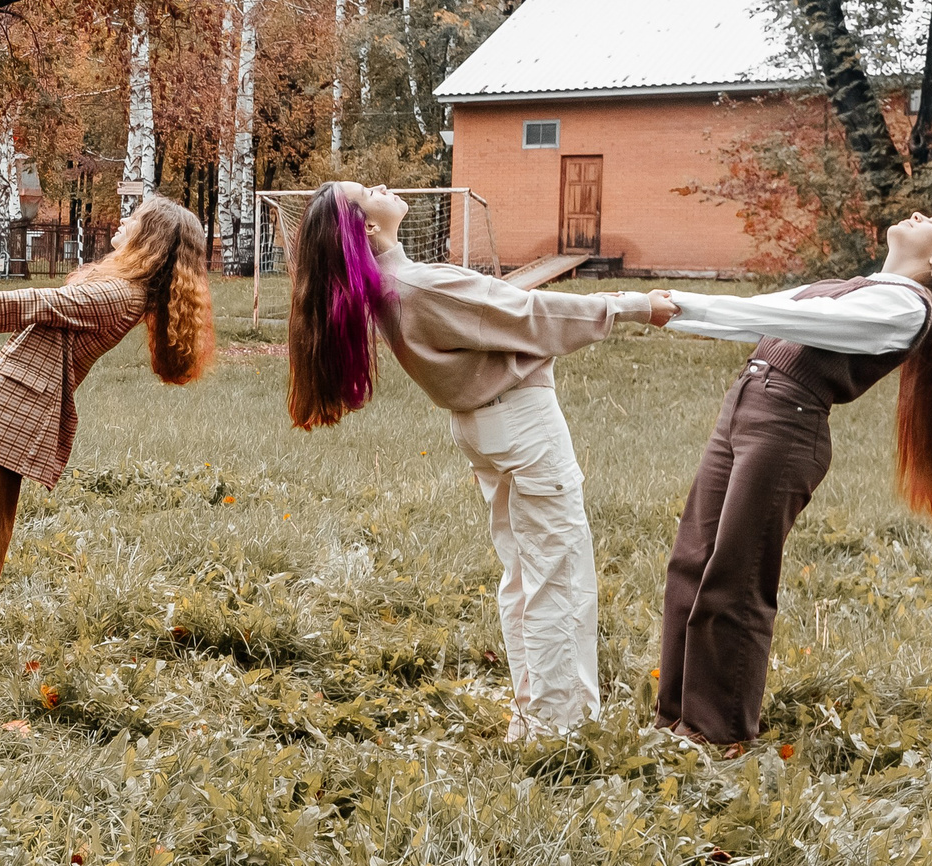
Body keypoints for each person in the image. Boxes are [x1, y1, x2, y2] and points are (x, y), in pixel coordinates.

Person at [283, 181, 674, 740]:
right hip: (521, 424)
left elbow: (500, 311)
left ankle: (534, 714)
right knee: (557, 572)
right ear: (367, 227)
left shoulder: (393, 289)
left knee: (525, 571)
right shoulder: (418, 283)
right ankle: (560, 729)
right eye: (367, 190)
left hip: (484, 429)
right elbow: (533, 314)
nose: (382, 186)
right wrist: (636, 306)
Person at [650, 213, 932, 750]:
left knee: (736, 579)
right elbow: (757, 317)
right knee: (691, 562)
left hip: (785, 427)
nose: (916, 213)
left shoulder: (906, 306)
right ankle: (674, 721)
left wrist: (675, 305)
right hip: (744, 409)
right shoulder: (854, 287)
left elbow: (791, 320)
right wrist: (660, 309)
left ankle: (716, 734)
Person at [0, 193, 214, 654]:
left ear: (149, 239)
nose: (123, 219)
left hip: (20, 411)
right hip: (16, 405)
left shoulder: (116, 295)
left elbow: (30, 301)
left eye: (134, 218)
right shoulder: (121, 289)